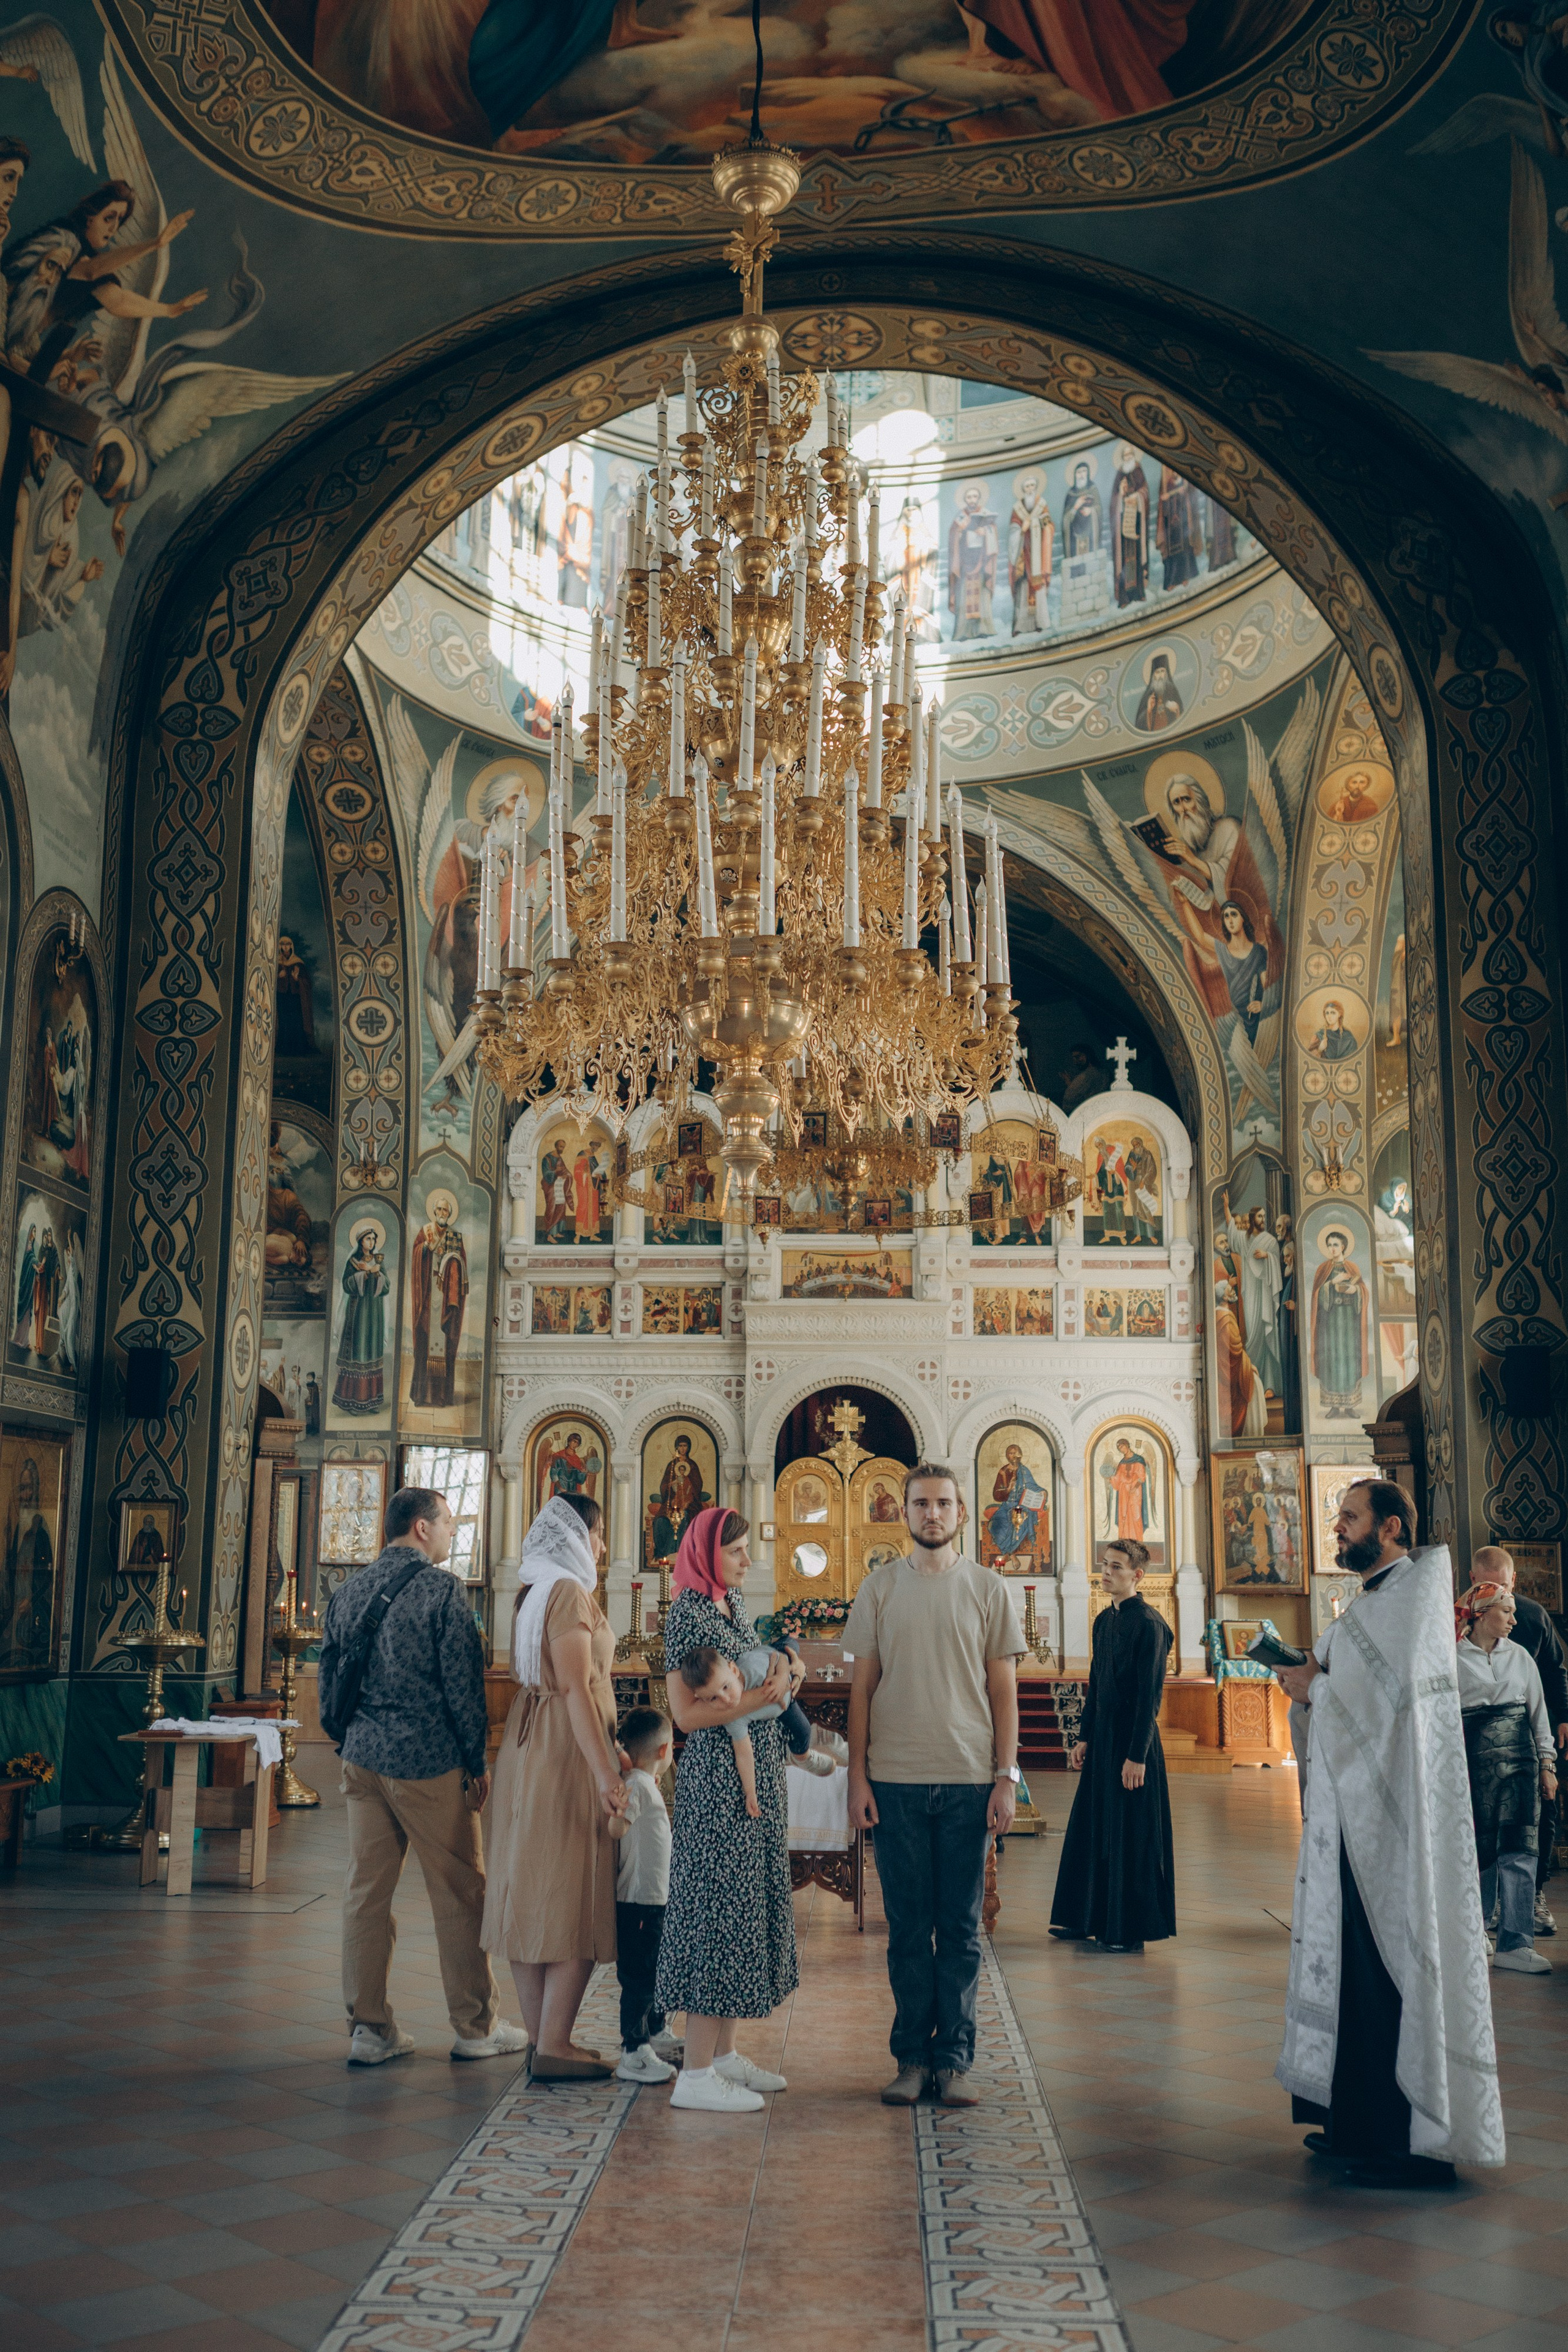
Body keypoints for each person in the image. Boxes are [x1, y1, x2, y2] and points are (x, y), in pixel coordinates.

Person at [1276, 1480, 1504, 2186]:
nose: (1337, 1530)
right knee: (1352, 1966)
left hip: (1392, 1827)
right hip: (1356, 1817)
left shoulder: (1412, 1599)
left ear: (1392, 1527)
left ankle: (1401, 2142)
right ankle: (1353, 2123)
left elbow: (1384, 1709)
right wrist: (1312, 1677)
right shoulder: (1380, 1599)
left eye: (1348, 1519)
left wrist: (1314, 1686)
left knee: (1382, 1968)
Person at [326, 1487, 527, 2068]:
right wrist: (476, 1763)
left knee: (365, 1894)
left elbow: (335, 1675)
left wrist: (349, 1738)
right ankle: (475, 2026)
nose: (450, 1534)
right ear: (420, 1528)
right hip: (428, 1762)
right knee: (460, 1892)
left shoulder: (348, 1590)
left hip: (361, 1759)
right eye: (447, 1524)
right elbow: (464, 1689)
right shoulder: (442, 1592)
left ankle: (368, 2028)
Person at [846, 1463, 1022, 2109]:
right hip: (893, 1781)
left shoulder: (986, 1588)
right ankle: (911, 2059)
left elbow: (1002, 1692)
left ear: (961, 1513)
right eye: (920, 1504)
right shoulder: (878, 1589)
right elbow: (861, 1689)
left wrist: (1005, 1779)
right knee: (905, 1930)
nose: (931, 1514)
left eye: (943, 1504)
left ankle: (953, 2061)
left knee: (960, 1929)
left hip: (968, 1780)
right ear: (905, 1513)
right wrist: (856, 1776)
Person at [657, 1507, 798, 2113]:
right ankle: (693, 2075)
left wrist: (783, 1677)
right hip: (717, 1785)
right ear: (705, 1553)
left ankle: (722, 2057)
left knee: (745, 1909)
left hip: (754, 1774)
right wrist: (767, 1696)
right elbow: (686, 1716)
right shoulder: (687, 1614)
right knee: (718, 1914)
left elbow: (754, 1680)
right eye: (736, 1551)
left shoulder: (729, 1605)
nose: (747, 1560)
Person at [481, 1493, 627, 2079]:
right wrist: (605, 1774)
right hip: (563, 1751)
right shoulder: (568, 1592)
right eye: (596, 1535)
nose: (602, 1547)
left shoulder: (532, 1590)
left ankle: (547, 2040)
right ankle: (556, 2043)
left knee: (531, 1881)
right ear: (575, 1538)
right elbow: (574, 1688)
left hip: (531, 1742)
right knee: (573, 1882)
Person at [1050, 1540, 1175, 1952]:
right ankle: (1083, 1917)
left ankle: (1127, 1928)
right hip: (1102, 1741)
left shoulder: (1150, 1625)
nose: (1105, 1573)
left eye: (1116, 1567)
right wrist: (1083, 1737)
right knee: (1092, 1829)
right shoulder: (1104, 1621)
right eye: (1104, 1565)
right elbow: (1097, 1684)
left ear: (1137, 1576)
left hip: (1132, 1746)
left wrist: (1136, 1756)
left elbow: (1148, 1698)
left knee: (1128, 1835)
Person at [1464, 1544, 1568, 1937]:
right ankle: (1480, 1916)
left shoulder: (1530, 1626)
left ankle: (1529, 1904)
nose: (1509, 1607)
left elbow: (1552, 1674)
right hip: (1476, 1753)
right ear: (1476, 1588)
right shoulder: (1454, 1643)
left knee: (1531, 1826)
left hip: (1525, 1744)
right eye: (1496, 1594)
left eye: (1508, 1591)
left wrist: (1556, 1738)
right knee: (1483, 1835)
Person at [1456, 1586, 1556, 1976]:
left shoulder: (1520, 1657)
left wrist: (1547, 1765)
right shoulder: (1452, 1657)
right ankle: (1474, 1931)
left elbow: (1538, 1714)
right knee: (1478, 1849)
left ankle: (1516, 1943)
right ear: (1481, 1613)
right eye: (1506, 1611)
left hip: (1520, 1763)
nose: (1514, 1620)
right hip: (1471, 1764)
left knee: (1520, 1849)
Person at [674, 1640, 840, 1817]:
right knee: (801, 1729)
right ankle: (800, 1755)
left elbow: (780, 1657)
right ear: (701, 1699)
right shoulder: (731, 1718)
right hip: (782, 1708)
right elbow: (744, 1753)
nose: (726, 1700)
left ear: (734, 1670)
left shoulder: (754, 1669)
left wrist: (782, 1677)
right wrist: (750, 1793)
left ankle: (802, 1755)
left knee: (789, 1644)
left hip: (773, 1656)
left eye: (726, 1687)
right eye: (713, 1699)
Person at [609, 1706, 678, 2086]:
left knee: (655, 1969)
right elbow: (620, 1828)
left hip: (653, 1900)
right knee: (639, 1976)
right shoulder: (636, 1785)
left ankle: (654, 2030)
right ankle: (633, 2050)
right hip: (638, 1902)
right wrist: (616, 1813)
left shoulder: (641, 1783)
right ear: (665, 1751)